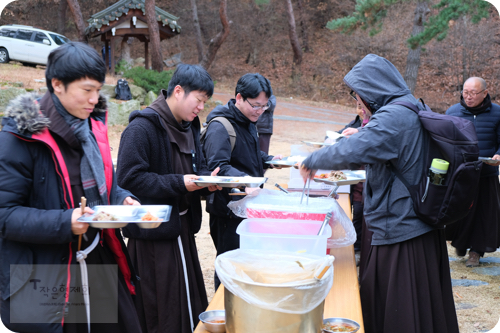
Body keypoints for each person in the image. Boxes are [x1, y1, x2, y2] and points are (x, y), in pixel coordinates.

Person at [300, 54, 458, 333]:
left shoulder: (394, 116)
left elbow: (354, 150)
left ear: (372, 89)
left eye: (357, 96)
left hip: (402, 229)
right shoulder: (410, 106)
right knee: (417, 306)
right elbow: (370, 146)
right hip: (416, 223)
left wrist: (312, 160)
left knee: (400, 309)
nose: (357, 102)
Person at [0, 42, 142, 333]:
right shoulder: (20, 137)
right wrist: (65, 222)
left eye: (98, 90)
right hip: (46, 271)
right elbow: (4, 215)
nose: (94, 99)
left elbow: (106, 186)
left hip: (98, 257)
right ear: (57, 84)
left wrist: (123, 199)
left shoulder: (92, 128)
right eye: (86, 90)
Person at [116, 64, 220, 333]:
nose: (200, 108)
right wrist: (181, 183)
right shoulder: (142, 128)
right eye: (198, 100)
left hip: (182, 228)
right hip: (154, 234)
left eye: (204, 102)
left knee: (187, 300)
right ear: (177, 91)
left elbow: (199, 166)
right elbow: (128, 179)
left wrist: (209, 181)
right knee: (158, 307)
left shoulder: (189, 126)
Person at [202, 73, 281, 289]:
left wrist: (270, 160)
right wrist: (244, 180)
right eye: (256, 105)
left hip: (246, 206)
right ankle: (224, 311)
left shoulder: (248, 121)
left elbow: (250, 156)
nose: (260, 111)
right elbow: (218, 166)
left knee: (244, 266)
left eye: (264, 106)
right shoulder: (221, 126)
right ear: (239, 98)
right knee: (229, 267)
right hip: (227, 209)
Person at [445, 77, 500, 267]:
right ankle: (460, 243)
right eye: (465, 93)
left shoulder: (497, 113)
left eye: (473, 93)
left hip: (487, 173)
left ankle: (476, 251)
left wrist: (498, 156)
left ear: (485, 93)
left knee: (483, 214)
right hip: (461, 173)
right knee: (460, 210)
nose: (468, 97)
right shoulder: (452, 112)